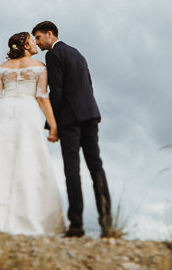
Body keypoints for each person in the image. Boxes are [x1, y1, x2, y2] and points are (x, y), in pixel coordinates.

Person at [0, 31, 65, 235]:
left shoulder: (2, 68)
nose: (35, 44)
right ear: (25, 46)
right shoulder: (39, 67)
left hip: (4, 112)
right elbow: (42, 97)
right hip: (27, 110)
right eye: (31, 41)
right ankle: (29, 217)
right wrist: (53, 125)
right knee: (29, 156)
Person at [32, 21, 112, 238]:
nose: (37, 43)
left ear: (50, 34)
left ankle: (76, 224)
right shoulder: (78, 54)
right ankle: (107, 222)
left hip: (69, 119)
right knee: (96, 167)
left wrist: (53, 125)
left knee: (72, 170)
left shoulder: (54, 55)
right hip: (90, 114)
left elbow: (56, 91)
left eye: (38, 37)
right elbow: (89, 85)